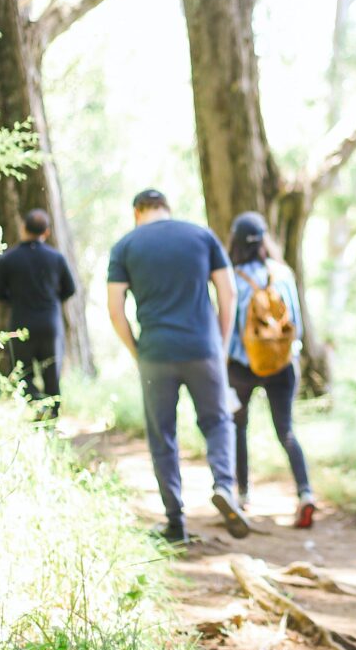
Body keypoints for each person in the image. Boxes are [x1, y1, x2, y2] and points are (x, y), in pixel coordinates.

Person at [107, 189, 250, 544]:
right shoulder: (201, 236)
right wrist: (220, 343)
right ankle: (225, 486)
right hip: (203, 349)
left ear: (137, 212)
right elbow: (227, 292)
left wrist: (135, 350)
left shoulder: (125, 246)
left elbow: (115, 308)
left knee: (163, 437)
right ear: (166, 209)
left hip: (155, 353)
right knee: (218, 422)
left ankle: (175, 522)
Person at [227, 211, 315, 529]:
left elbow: (227, 328)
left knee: (238, 426)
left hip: (241, 365)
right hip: (281, 364)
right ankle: (305, 493)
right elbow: (298, 327)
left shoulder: (230, 277)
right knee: (286, 430)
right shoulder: (282, 274)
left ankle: (241, 493)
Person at [0, 209, 76, 417]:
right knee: (52, 374)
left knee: (23, 373)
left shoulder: (8, 259)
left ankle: (37, 410)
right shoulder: (56, 258)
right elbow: (70, 289)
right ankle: (52, 419)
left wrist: (16, 300)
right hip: (50, 324)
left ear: (23, 228)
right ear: (46, 233)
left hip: (22, 323)